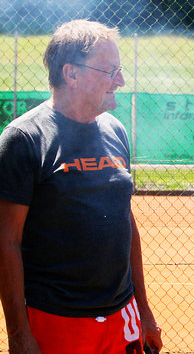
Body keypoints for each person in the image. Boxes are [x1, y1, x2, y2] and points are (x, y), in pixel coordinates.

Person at [0, 20, 163, 354]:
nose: (120, 80)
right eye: (110, 70)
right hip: (55, 320)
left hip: (122, 315)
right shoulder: (24, 139)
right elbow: (7, 240)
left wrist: (143, 308)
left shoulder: (115, 130)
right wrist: (18, 333)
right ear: (71, 74)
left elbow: (124, 219)